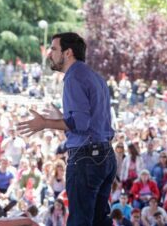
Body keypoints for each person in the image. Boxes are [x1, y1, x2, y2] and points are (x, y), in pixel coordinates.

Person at [18, 32, 116, 226]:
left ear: (68, 52)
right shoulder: (95, 77)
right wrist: (62, 119)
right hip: (105, 156)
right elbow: (89, 124)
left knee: (80, 221)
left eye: (54, 49)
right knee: (98, 220)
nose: (49, 54)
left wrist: (45, 123)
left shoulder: (74, 78)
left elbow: (80, 124)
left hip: (86, 159)